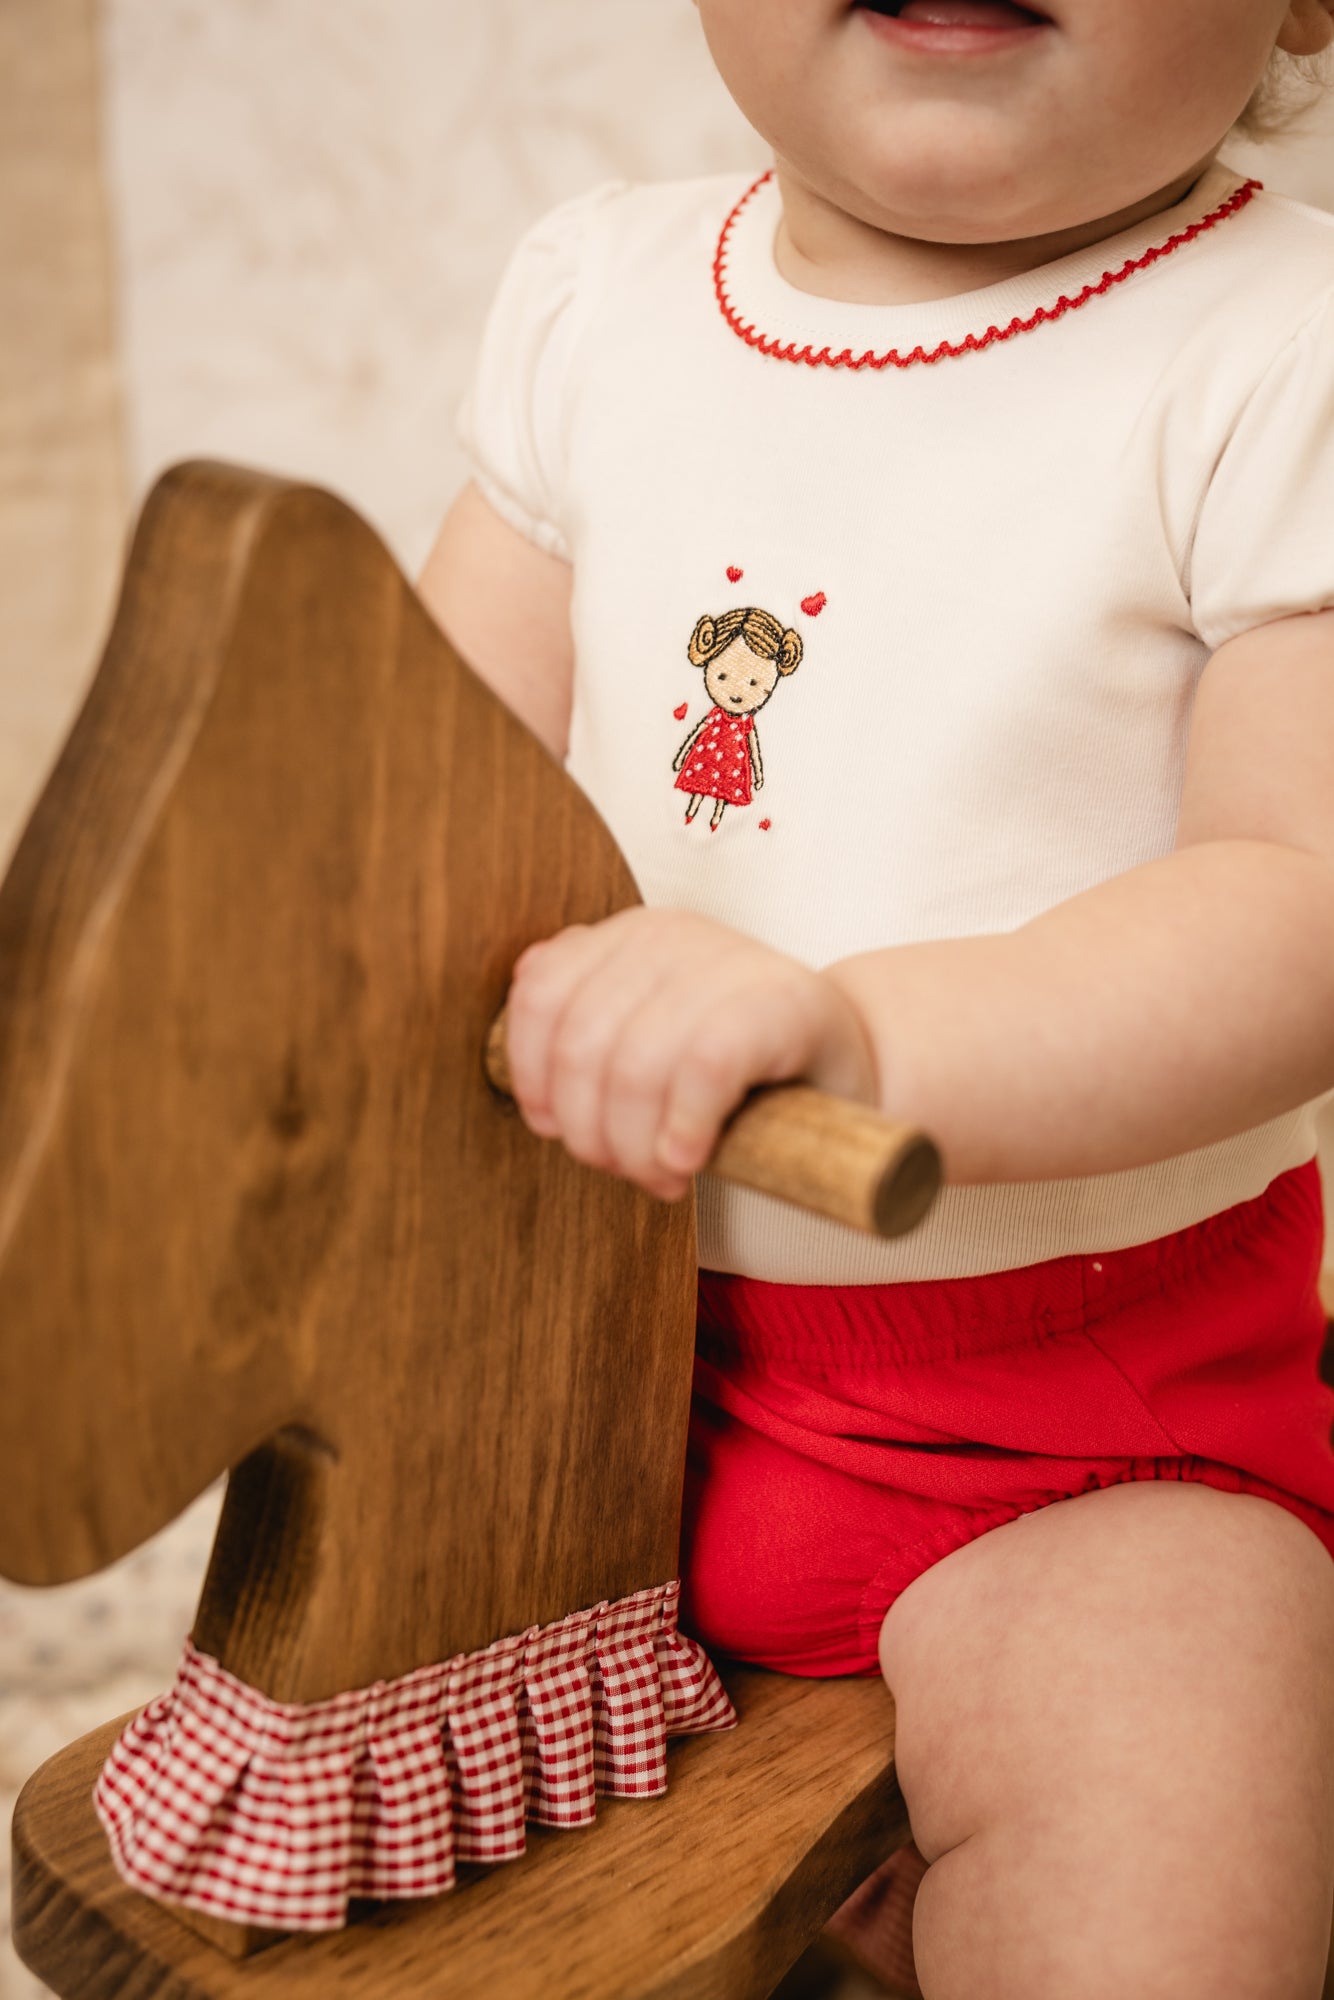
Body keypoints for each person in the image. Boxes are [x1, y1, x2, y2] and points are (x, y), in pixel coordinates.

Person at [419, 4, 1334, 1993]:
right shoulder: (599, 301)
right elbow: (413, 819)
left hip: (1073, 1433)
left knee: (1168, 1847)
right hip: (564, 1364)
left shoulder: (1284, 350)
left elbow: (1299, 897)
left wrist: (860, 1038)